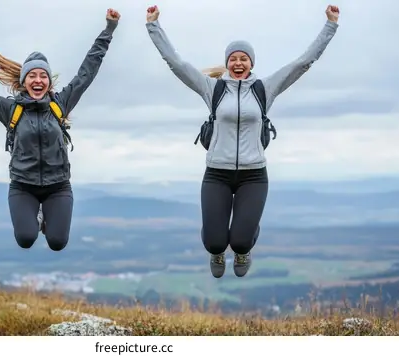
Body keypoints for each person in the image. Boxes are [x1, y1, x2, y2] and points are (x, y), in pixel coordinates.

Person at [145, 4, 339, 278]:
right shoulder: (212, 89)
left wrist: (330, 26)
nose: (238, 63)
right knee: (215, 242)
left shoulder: (265, 89)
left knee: (240, 241)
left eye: (243, 59)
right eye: (233, 58)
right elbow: (176, 63)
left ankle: (244, 248)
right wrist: (153, 25)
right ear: (227, 63)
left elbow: (302, 63)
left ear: (251, 63)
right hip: (216, 175)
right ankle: (216, 253)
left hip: (253, 176)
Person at [0, 8, 121, 251]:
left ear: (49, 81)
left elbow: (87, 71)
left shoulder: (59, 105)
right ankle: (36, 218)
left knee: (58, 242)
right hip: (23, 185)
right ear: (24, 81)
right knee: (26, 238)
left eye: (43, 76)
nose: (38, 80)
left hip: (58, 185)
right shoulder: (10, 110)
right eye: (32, 76)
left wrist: (109, 30)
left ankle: (48, 218)